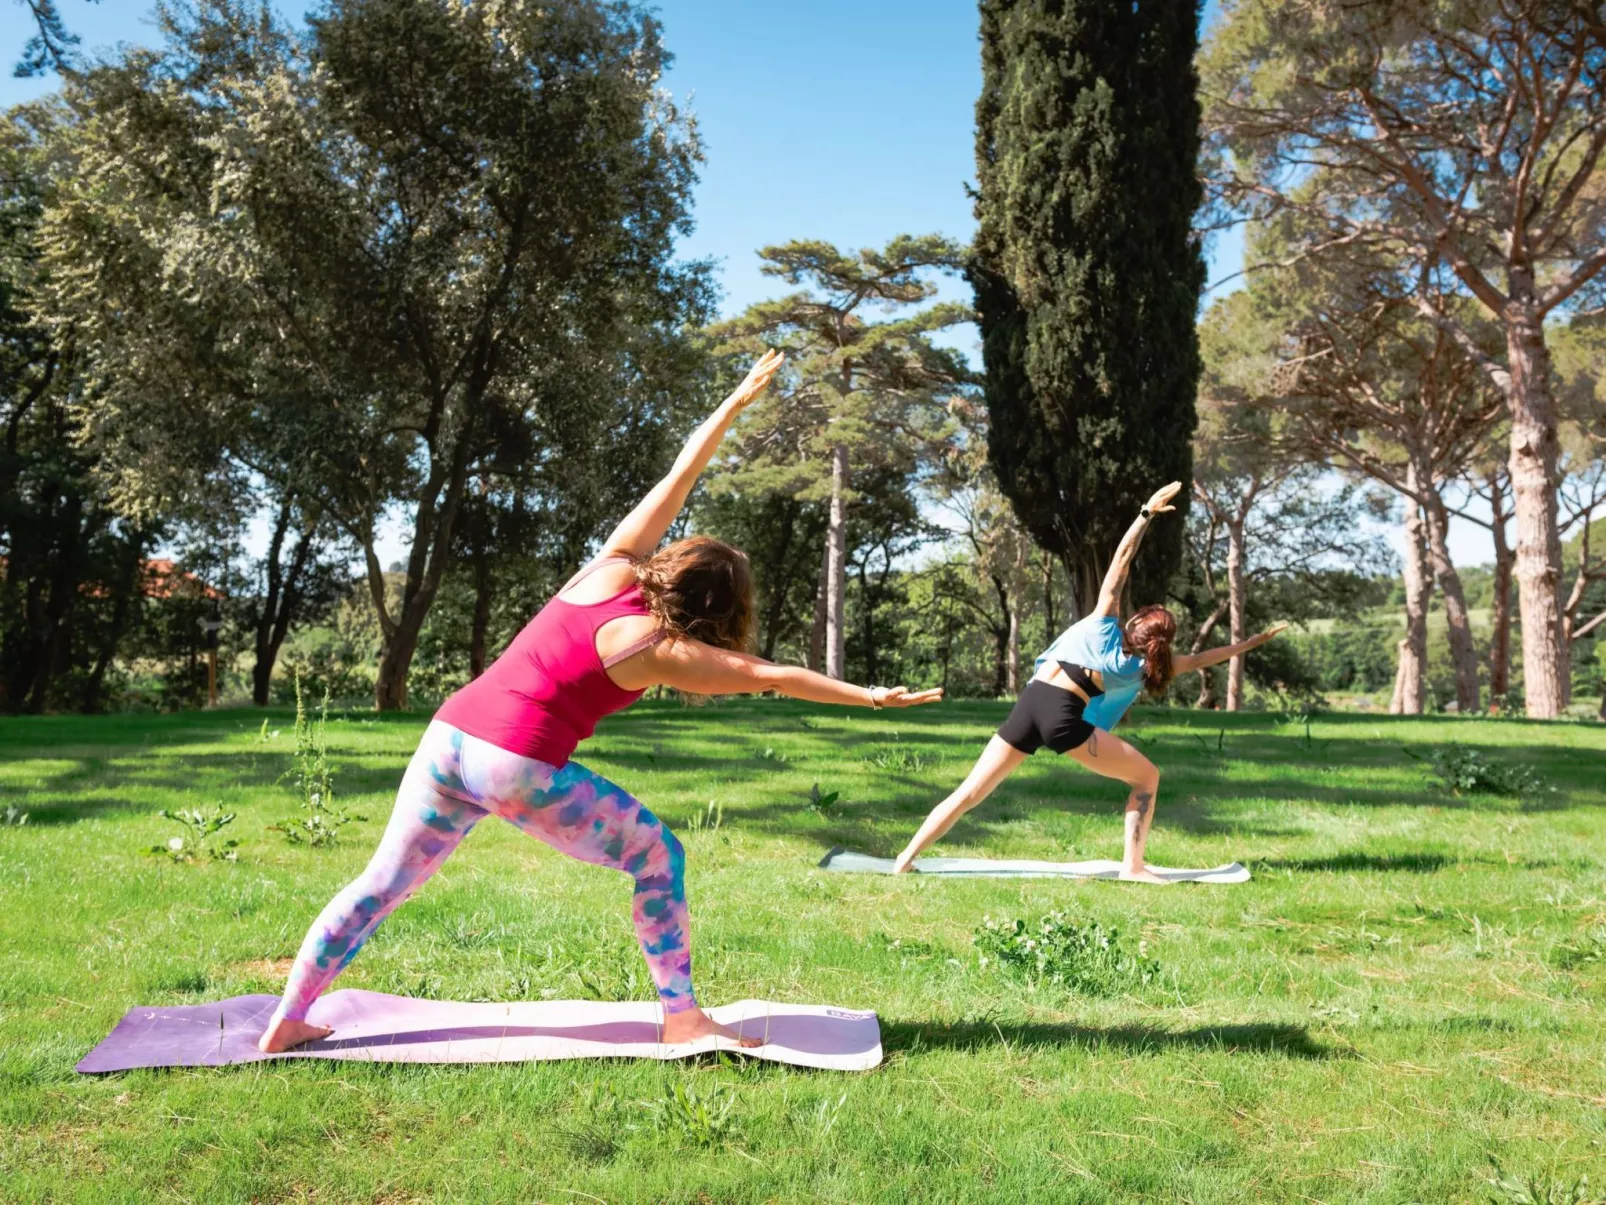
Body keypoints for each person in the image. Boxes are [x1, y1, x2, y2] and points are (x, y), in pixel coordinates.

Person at [259, 350, 943, 1054]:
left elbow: (680, 476)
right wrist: (868, 695)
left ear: (675, 563)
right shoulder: (661, 648)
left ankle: (289, 1017)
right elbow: (772, 675)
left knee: (380, 883)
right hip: (514, 762)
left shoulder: (610, 566)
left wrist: (734, 404)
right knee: (659, 857)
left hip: (449, 737)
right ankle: (683, 1017)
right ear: (718, 612)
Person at [891, 482, 1286, 883]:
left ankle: (905, 858)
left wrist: (1145, 513)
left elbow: (1121, 560)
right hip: (1062, 716)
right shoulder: (1137, 669)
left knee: (970, 792)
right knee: (1147, 778)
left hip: (1030, 702)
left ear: (1135, 621)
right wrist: (1250, 643)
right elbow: (1202, 659)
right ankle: (1133, 867)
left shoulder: (1102, 622)